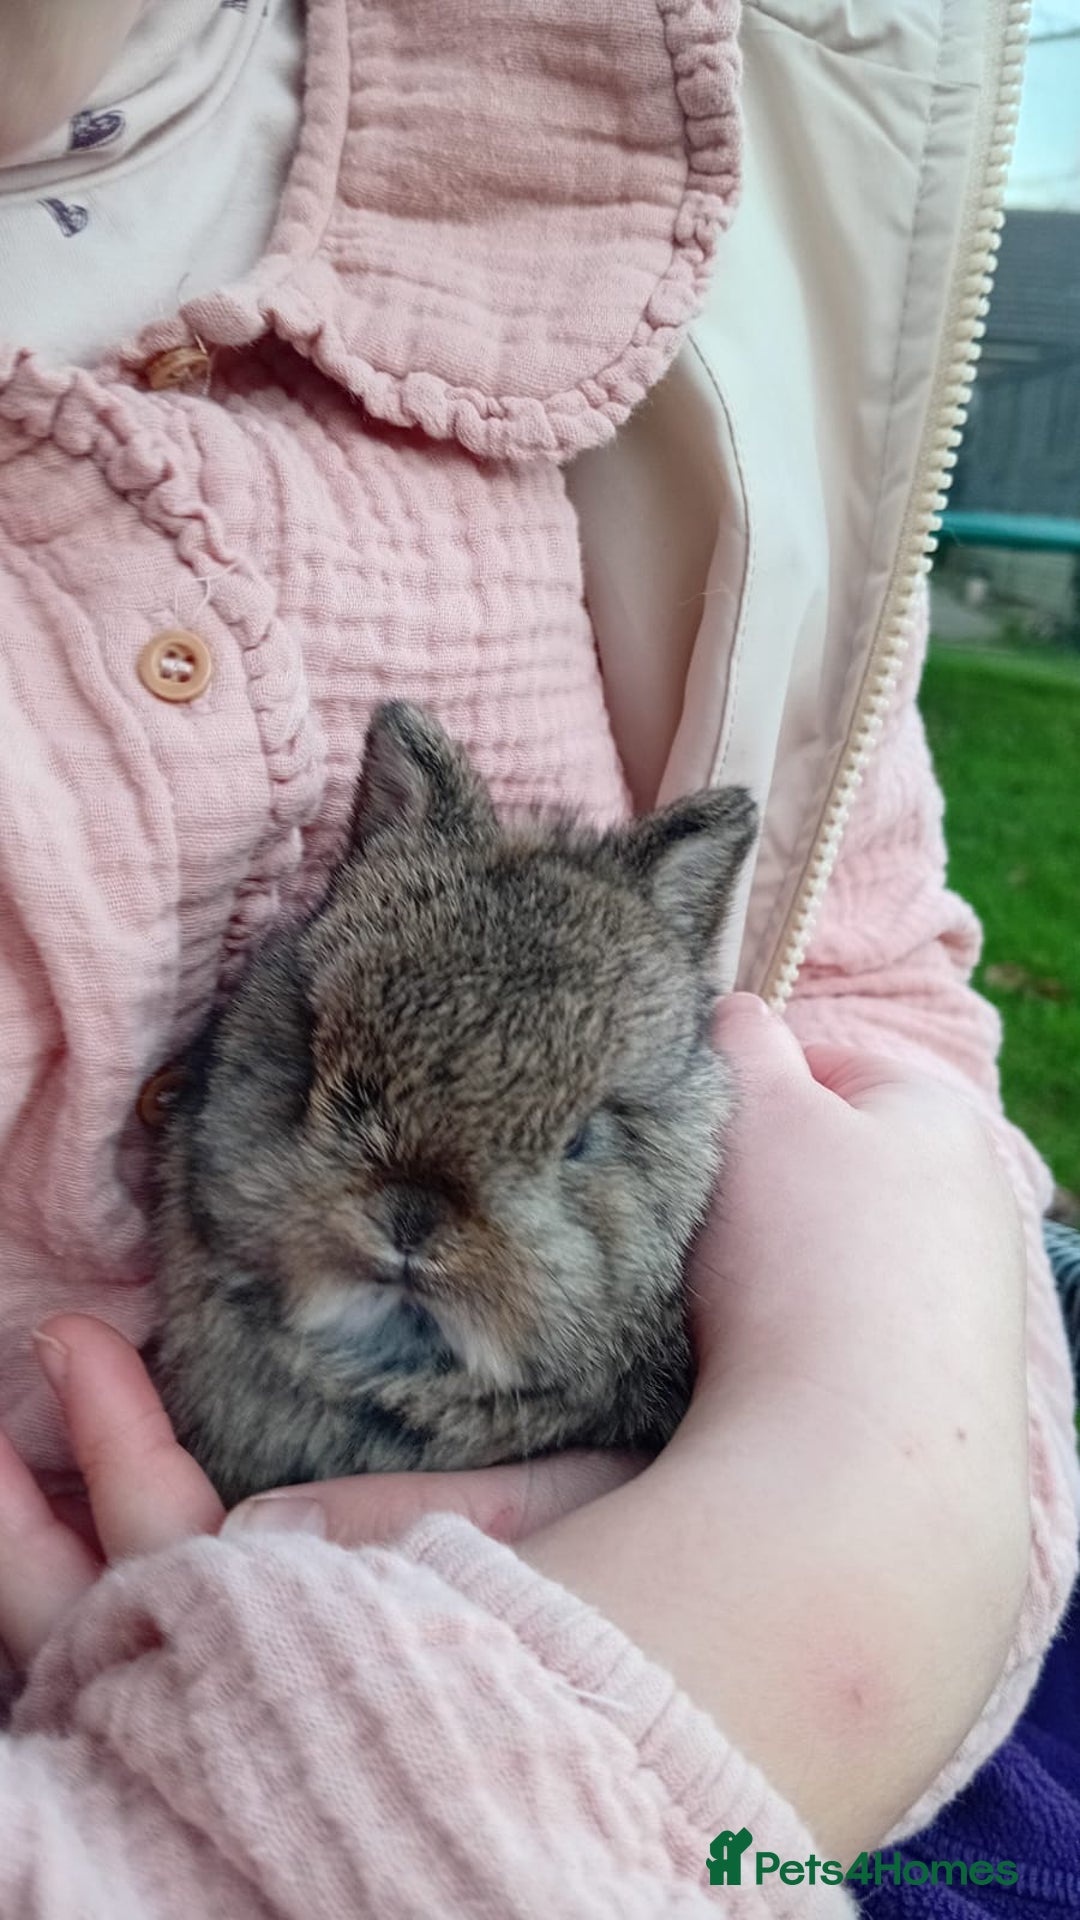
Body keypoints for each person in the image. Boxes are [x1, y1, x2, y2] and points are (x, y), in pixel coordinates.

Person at [0, 1, 1075, 1913]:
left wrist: (886, 1436)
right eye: (336, 1093)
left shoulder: (637, 159)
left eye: (571, 1144)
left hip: (872, 1589)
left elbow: (870, 997)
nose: (416, 1222)